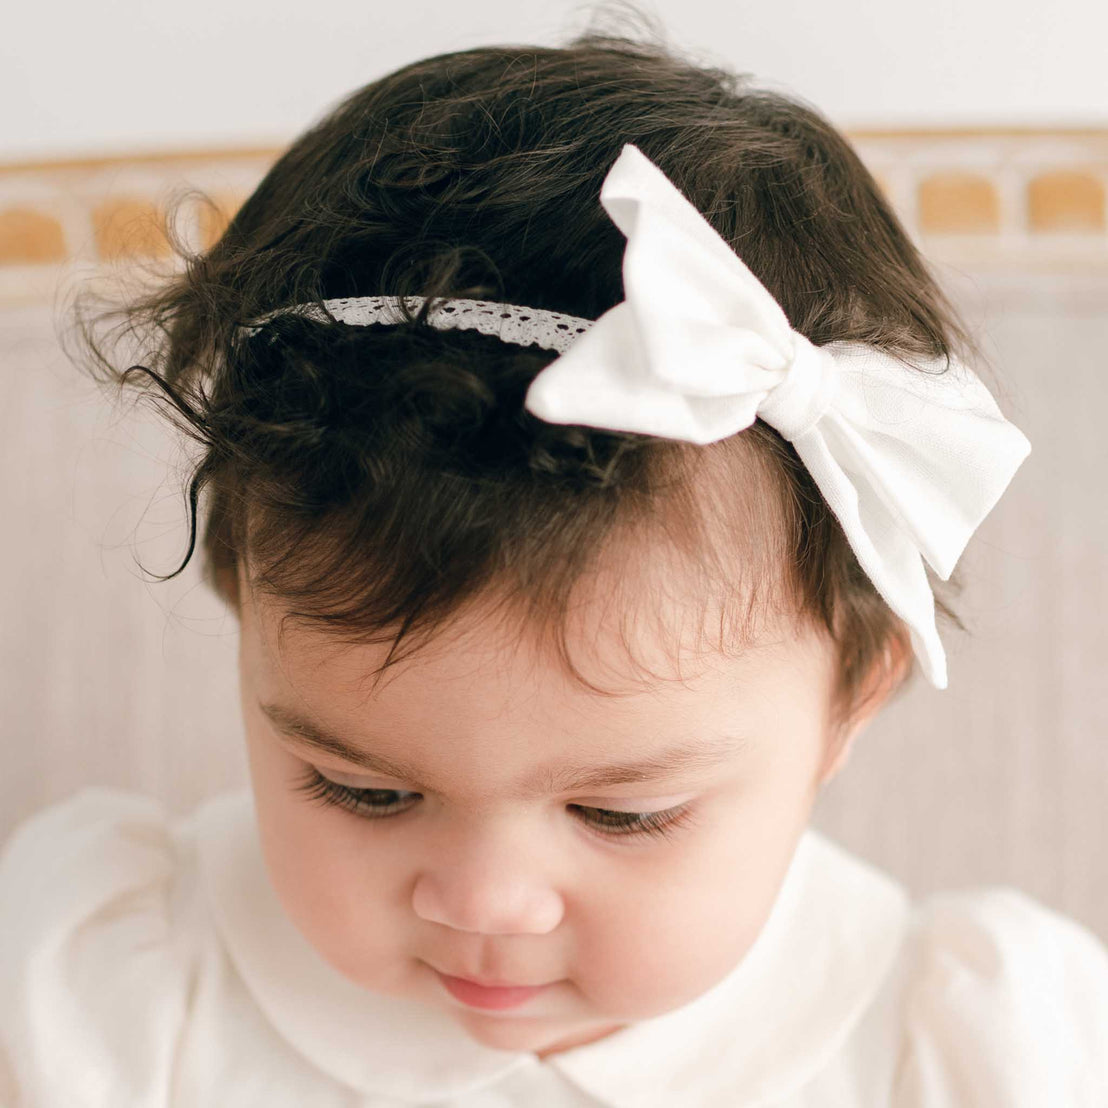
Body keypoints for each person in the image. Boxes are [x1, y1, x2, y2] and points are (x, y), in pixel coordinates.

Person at [3, 20, 1107, 1107]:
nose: (485, 903)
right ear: (248, 622)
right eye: (365, 789)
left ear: (849, 704)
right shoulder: (114, 1003)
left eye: (621, 814)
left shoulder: (966, 1055)